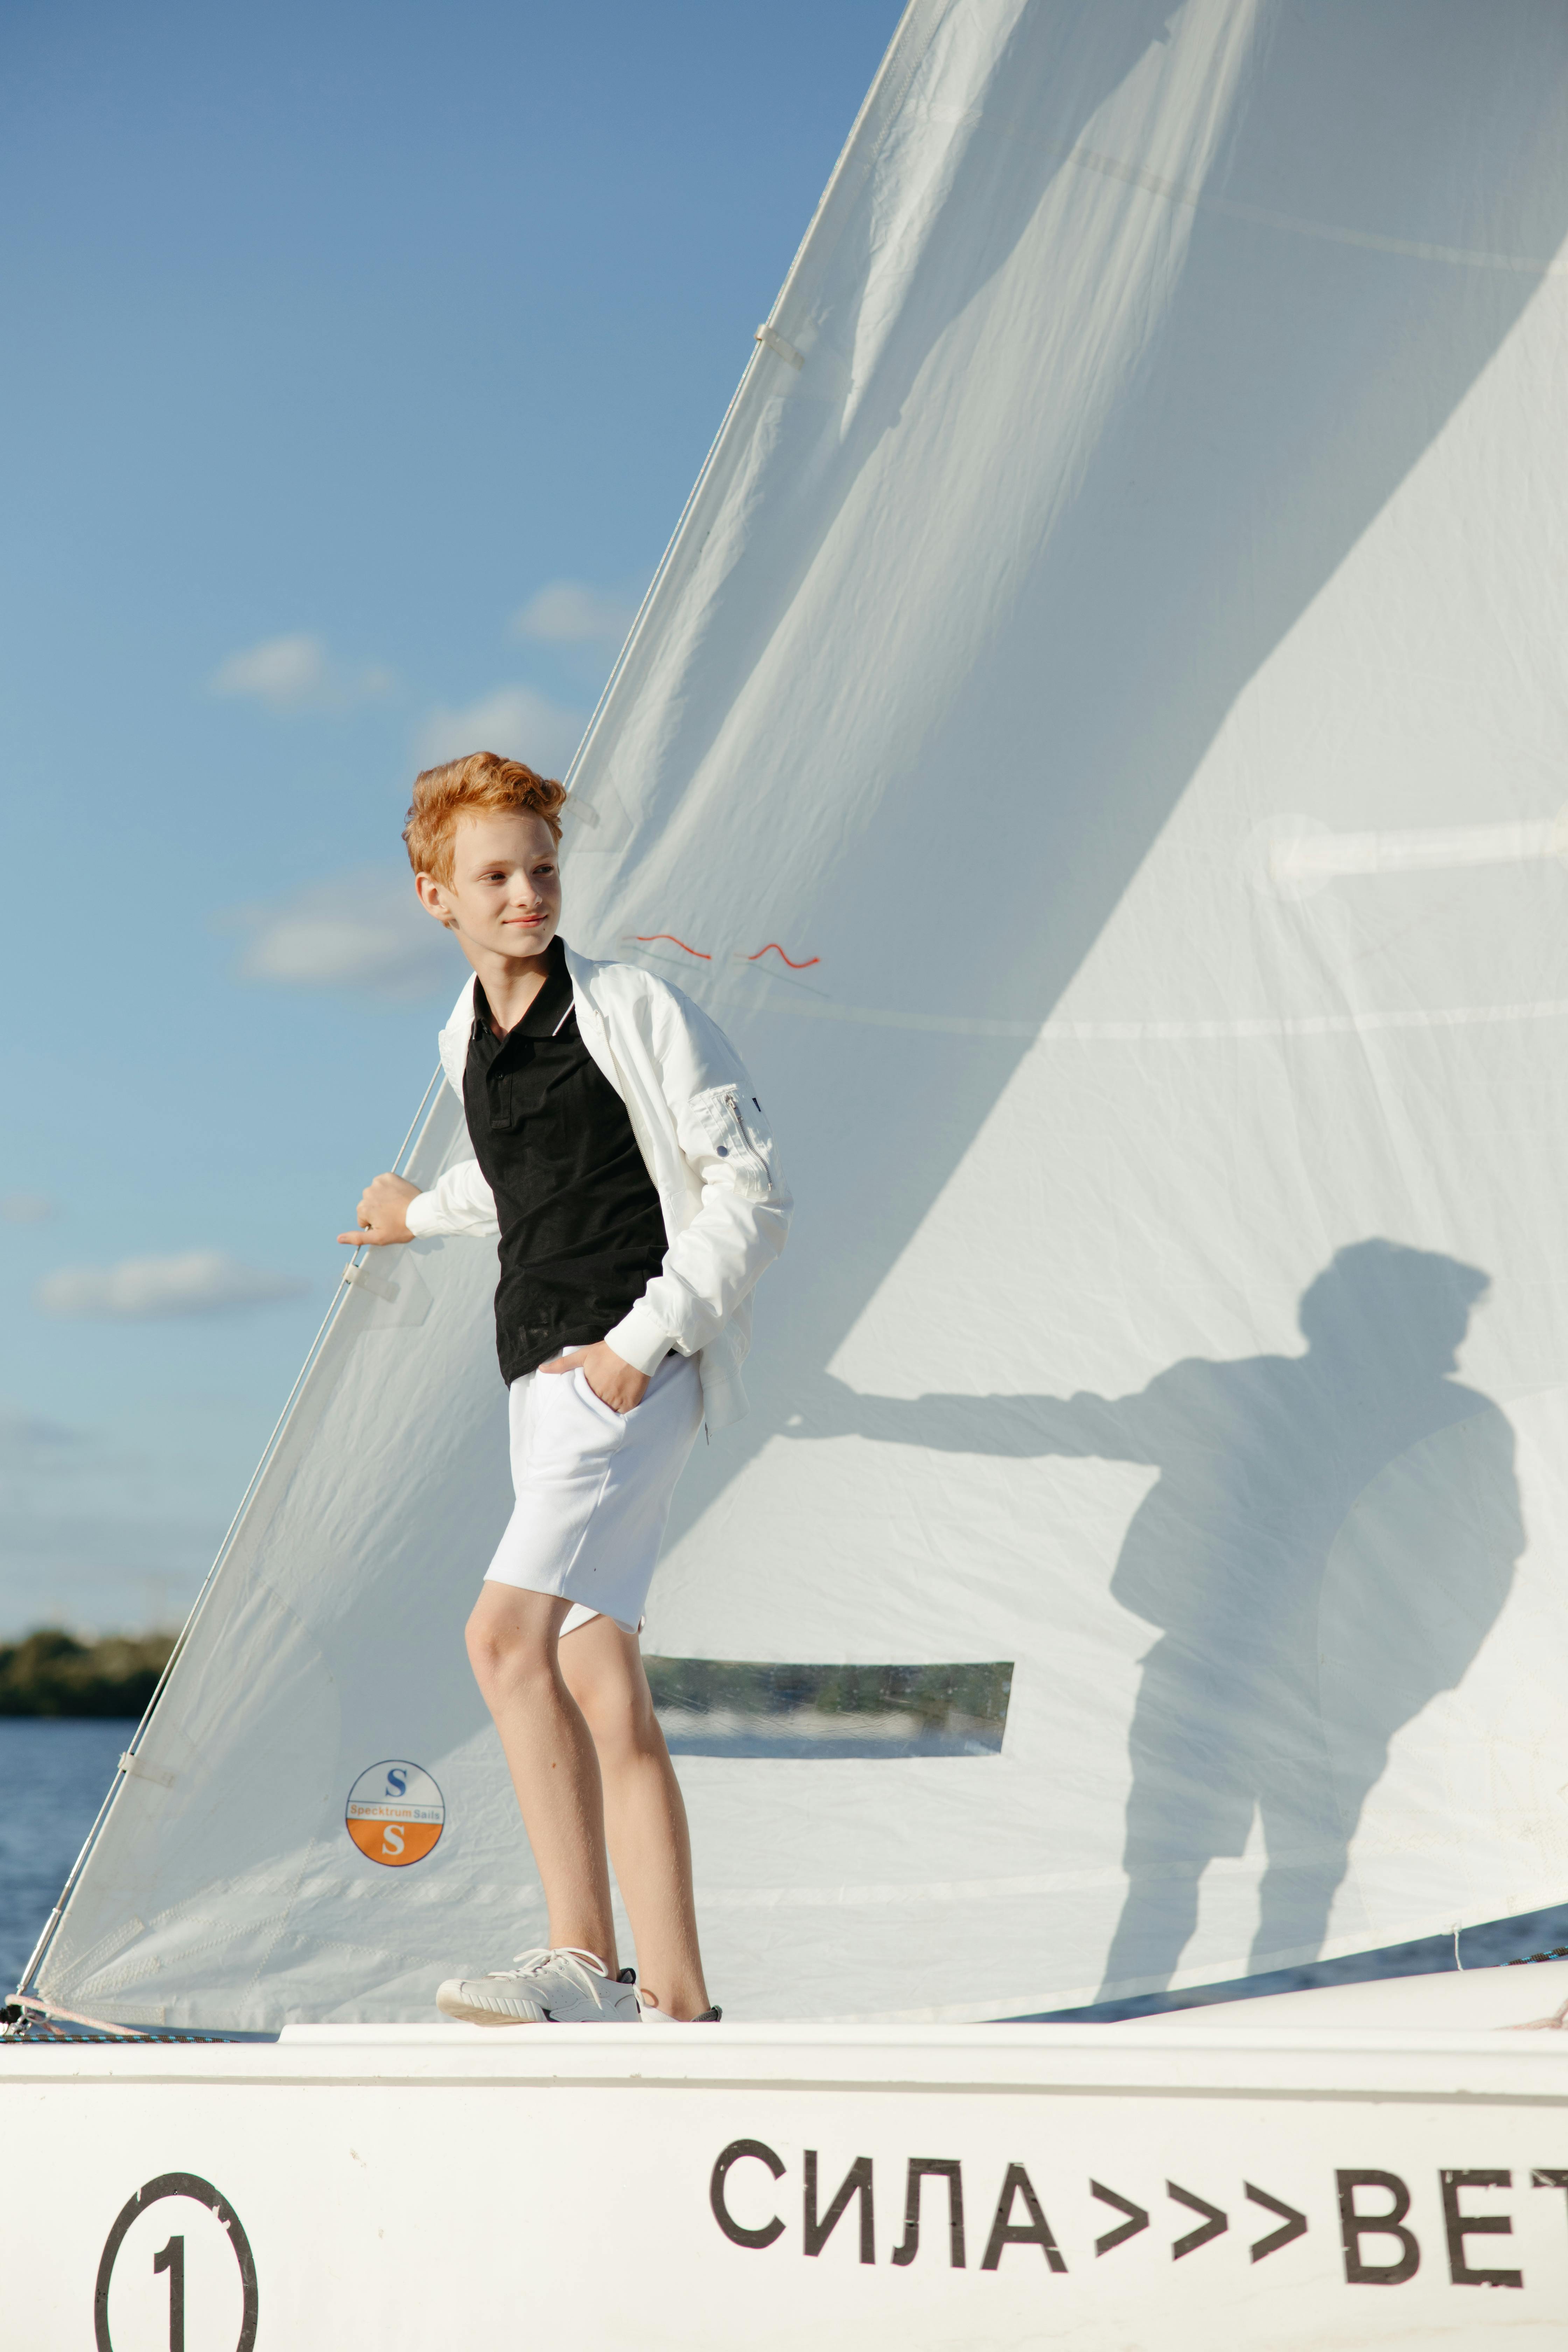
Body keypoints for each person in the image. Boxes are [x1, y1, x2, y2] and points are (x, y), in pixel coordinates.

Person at [339, 750, 790, 2023]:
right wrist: (414, 1214)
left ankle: (582, 1962)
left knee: (500, 1639)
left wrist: (636, 1353)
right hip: (537, 1384)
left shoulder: (637, 1008)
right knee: (601, 1683)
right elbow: (518, 1185)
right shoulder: (462, 1039)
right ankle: (683, 2004)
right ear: (437, 896)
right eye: (495, 875)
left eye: (542, 868)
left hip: (623, 1375)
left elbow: (753, 1197)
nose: (527, 893)